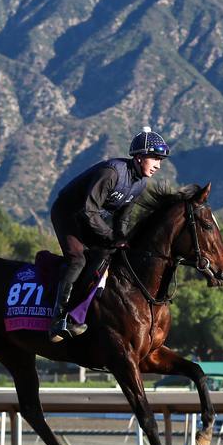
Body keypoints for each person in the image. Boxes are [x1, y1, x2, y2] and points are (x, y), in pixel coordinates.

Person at [48, 126, 170, 342]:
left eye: (160, 160)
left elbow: (122, 219)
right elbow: (88, 210)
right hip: (67, 214)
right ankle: (58, 320)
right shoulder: (112, 172)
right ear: (140, 157)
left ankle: (87, 314)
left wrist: (122, 241)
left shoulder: (140, 183)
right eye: (155, 159)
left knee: (110, 256)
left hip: (90, 219)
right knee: (78, 260)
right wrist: (112, 238)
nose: (158, 165)